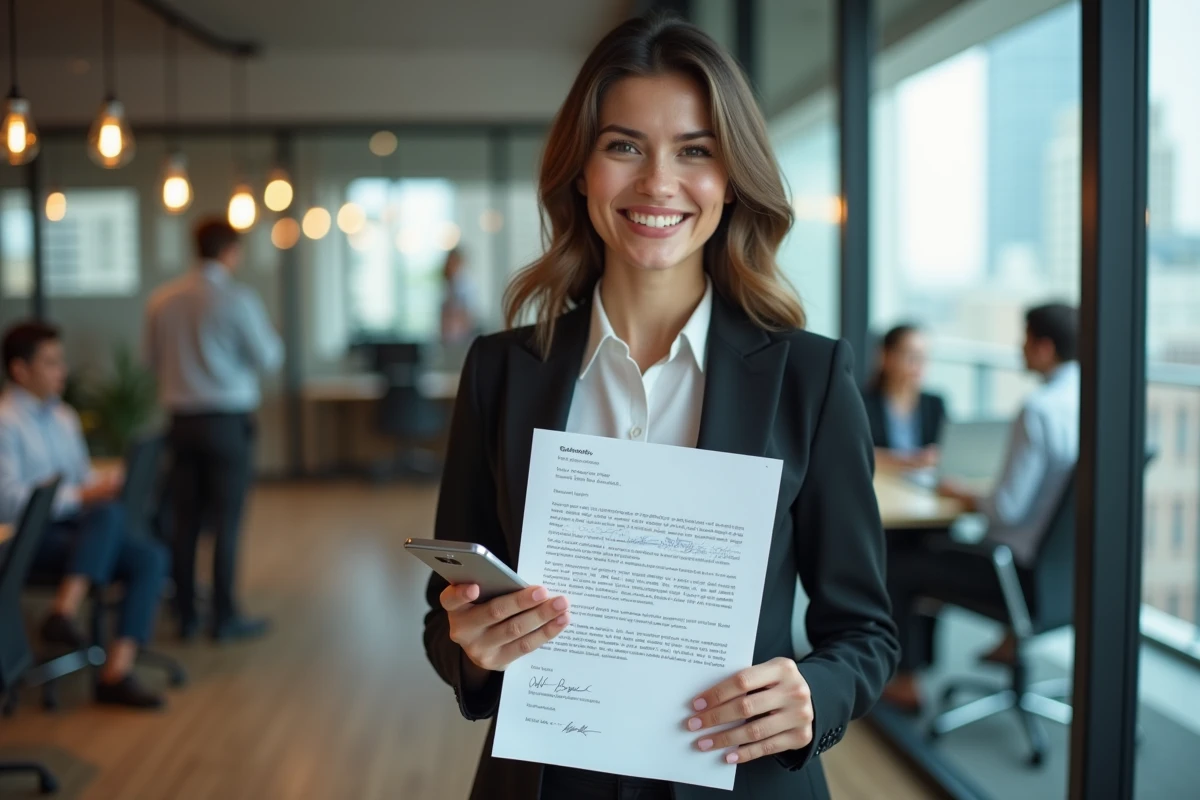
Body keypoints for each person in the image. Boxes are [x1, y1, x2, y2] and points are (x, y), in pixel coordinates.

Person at [421, 15, 899, 800]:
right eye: (624, 146)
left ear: (731, 177)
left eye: (695, 151)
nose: (657, 183)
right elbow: (444, 618)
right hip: (547, 781)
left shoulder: (810, 378)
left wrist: (817, 694)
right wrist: (471, 648)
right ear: (582, 170)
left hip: (741, 780)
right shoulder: (501, 371)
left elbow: (865, 632)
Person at [883, 303, 1080, 711]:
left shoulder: (1039, 409)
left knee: (899, 566)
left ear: (1044, 347)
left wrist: (966, 494)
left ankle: (905, 680)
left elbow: (1006, 510)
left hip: (1011, 570)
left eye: (1024, 339)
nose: (1019, 347)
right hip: (1065, 573)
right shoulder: (1089, 400)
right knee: (937, 546)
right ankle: (1009, 642)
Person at [0, 321, 169, 709]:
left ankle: (114, 672)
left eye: (61, 361)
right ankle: (63, 610)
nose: (62, 370)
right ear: (19, 370)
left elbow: (81, 476)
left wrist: (105, 482)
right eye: (51, 362)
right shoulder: (5, 422)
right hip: (29, 538)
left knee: (149, 557)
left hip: (78, 533)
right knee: (106, 516)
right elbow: (8, 503)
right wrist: (81, 496)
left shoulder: (63, 416)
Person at [143, 217, 282, 643]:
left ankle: (185, 614)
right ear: (230, 251)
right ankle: (223, 616)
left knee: (183, 520)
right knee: (226, 521)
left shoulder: (162, 299)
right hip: (225, 422)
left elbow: (150, 361)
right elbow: (269, 357)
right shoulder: (237, 299)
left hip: (181, 422)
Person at [860, 324, 947, 471]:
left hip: (921, 480)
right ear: (886, 356)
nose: (919, 365)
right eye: (911, 356)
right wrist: (909, 460)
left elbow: (944, 451)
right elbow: (858, 451)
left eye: (923, 357)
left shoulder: (934, 404)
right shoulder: (862, 403)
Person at [440, 247, 479, 345]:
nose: (449, 266)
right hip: (449, 339)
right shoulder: (448, 285)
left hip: (461, 337)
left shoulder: (465, 285)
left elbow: (468, 314)